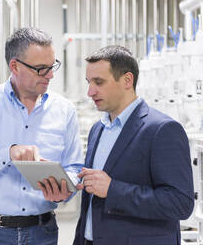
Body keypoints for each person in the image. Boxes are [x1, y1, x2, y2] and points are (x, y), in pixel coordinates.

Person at [0, 27, 83, 245]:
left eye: (52, 67)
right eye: (41, 69)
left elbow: (75, 167)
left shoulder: (64, 110)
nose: (50, 75)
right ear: (14, 66)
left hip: (42, 233)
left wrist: (64, 189)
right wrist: (8, 153)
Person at [73, 45, 194, 245]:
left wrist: (113, 190)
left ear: (127, 80)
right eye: (89, 82)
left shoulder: (162, 129)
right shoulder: (98, 129)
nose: (90, 91)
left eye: (99, 82)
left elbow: (180, 203)